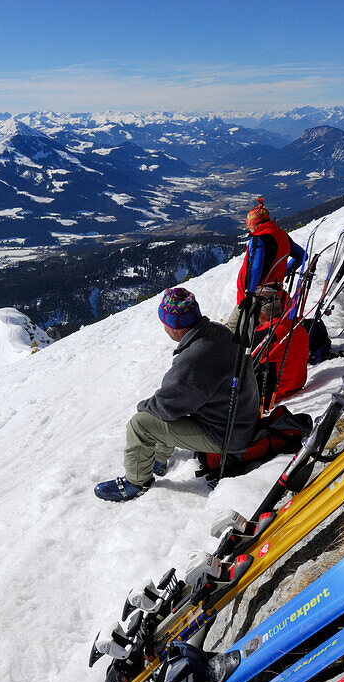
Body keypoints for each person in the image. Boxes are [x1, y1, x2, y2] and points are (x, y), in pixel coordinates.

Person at [95, 288, 260, 502]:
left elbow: (164, 406)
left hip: (229, 435)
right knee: (169, 411)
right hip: (240, 420)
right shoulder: (216, 332)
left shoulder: (195, 357)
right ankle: (158, 460)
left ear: (174, 327)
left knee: (141, 424)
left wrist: (144, 408)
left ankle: (136, 482)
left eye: (164, 322)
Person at [227, 197, 306, 333]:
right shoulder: (282, 236)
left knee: (234, 329)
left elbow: (256, 267)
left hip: (257, 294)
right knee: (266, 329)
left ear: (255, 224)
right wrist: (287, 270)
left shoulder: (259, 239)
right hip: (276, 292)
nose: (249, 228)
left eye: (250, 225)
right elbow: (302, 255)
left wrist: (249, 293)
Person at [254, 298, 309, 411]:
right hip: (297, 385)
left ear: (260, 314)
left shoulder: (266, 335)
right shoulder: (299, 327)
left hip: (273, 395)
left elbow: (244, 363)